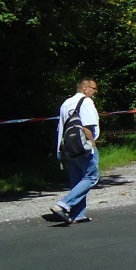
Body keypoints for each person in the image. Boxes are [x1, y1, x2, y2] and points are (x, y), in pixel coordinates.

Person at [49, 78, 101, 224]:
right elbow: (87, 126)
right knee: (92, 177)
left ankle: (78, 215)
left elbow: (61, 126)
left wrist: (60, 149)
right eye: (94, 89)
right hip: (83, 147)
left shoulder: (66, 103)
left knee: (77, 180)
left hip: (68, 147)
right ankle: (63, 204)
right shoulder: (86, 101)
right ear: (85, 88)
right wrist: (93, 145)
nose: (95, 92)